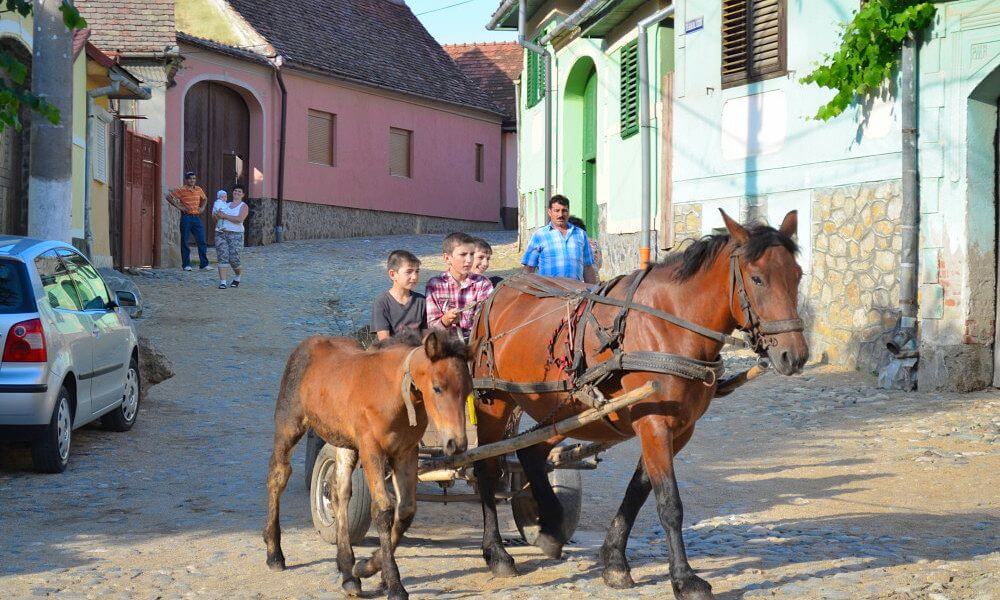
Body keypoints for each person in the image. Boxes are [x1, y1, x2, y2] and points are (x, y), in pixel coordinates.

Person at [426, 232, 493, 340]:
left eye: (471, 254)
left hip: (474, 344)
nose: (469, 260)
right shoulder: (435, 285)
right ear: (447, 258)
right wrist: (445, 320)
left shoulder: (483, 284)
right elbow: (432, 327)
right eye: (463, 255)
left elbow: (486, 322)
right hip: (446, 345)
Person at [522, 195, 597, 283]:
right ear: (549, 212)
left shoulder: (580, 234)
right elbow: (529, 268)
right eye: (556, 211)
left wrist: (592, 291)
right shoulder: (540, 235)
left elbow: (588, 267)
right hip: (549, 292)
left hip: (576, 291)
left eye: (564, 211)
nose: (560, 215)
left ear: (568, 212)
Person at [371, 250, 427, 341]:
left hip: (416, 352)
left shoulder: (421, 301)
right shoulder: (382, 303)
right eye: (409, 272)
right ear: (392, 274)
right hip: (391, 352)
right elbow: (384, 340)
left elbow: (426, 335)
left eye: (417, 271)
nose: (415, 277)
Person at [165, 171, 210, 271]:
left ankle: (204, 264)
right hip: (186, 217)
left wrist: (202, 208)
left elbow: (205, 199)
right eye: (190, 179)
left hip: (196, 218)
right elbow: (168, 197)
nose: (192, 180)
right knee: (185, 241)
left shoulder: (198, 189)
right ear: (186, 180)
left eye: (194, 178)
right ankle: (186, 265)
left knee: (201, 240)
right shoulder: (181, 190)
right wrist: (178, 206)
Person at [212, 184, 249, 289]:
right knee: (222, 256)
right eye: (235, 191)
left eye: (239, 192)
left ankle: (238, 276)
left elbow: (239, 219)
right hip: (221, 233)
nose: (236, 193)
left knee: (234, 259)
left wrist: (225, 216)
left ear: (243, 195)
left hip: (236, 235)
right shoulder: (225, 204)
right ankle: (223, 282)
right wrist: (215, 215)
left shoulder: (243, 206)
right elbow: (216, 219)